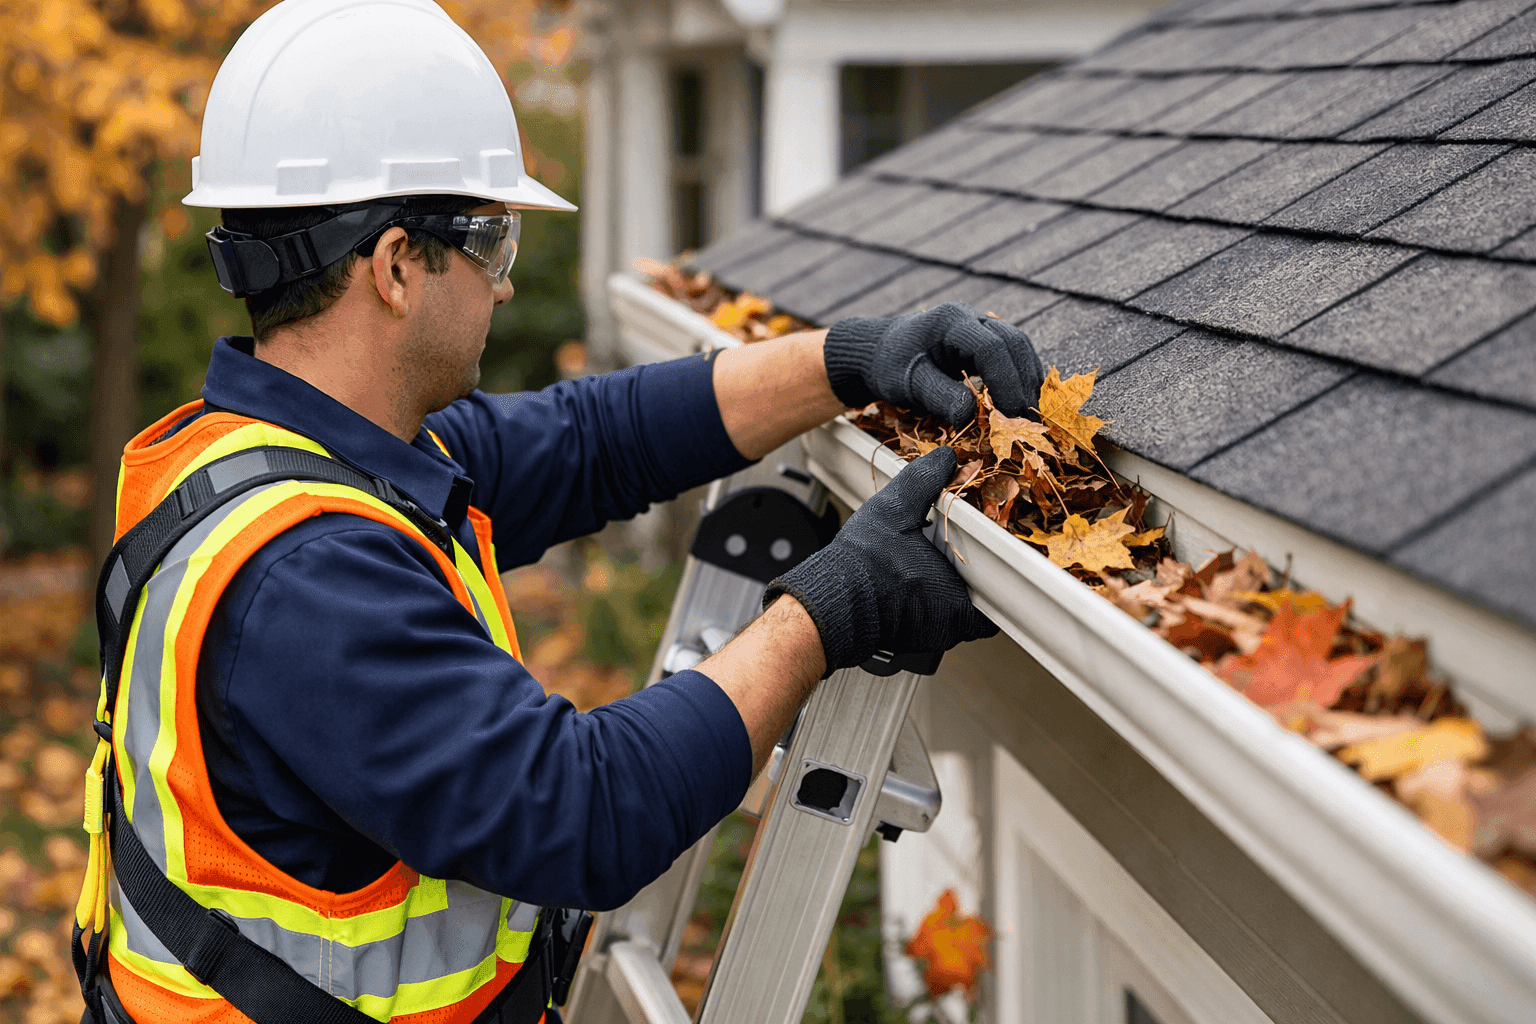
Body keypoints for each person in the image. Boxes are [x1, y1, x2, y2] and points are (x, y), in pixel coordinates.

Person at [72, 1, 1046, 1022]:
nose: (502, 287)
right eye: (490, 242)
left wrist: (847, 359)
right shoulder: (305, 578)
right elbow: (581, 813)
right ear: (397, 266)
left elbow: (595, 438)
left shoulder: (320, 453)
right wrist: (832, 610)